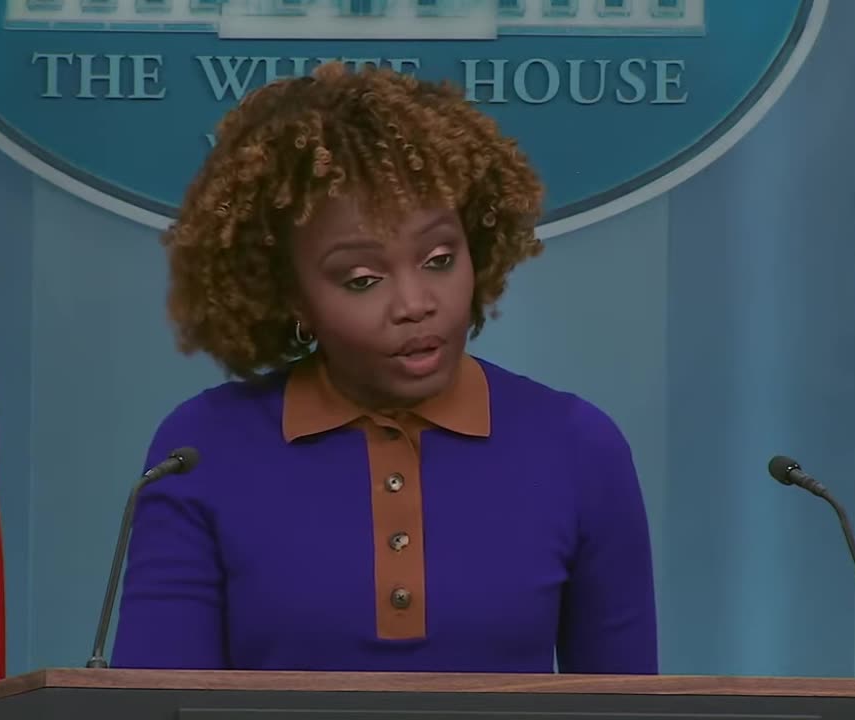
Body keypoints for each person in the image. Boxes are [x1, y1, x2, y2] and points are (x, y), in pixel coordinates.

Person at [110, 61, 658, 675]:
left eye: (440, 259)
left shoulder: (579, 448)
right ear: (292, 296)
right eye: (363, 279)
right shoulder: (201, 451)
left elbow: (624, 705)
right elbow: (154, 704)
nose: (415, 304)